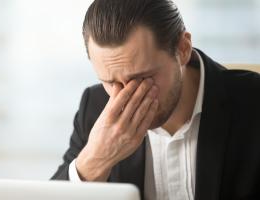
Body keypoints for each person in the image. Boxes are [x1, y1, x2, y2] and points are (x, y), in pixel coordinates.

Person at [51, 0, 260, 199]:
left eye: (142, 78)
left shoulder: (252, 101)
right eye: (110, 81)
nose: (125, 97)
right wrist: (93, 161)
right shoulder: (95, 107)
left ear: (183, 49)